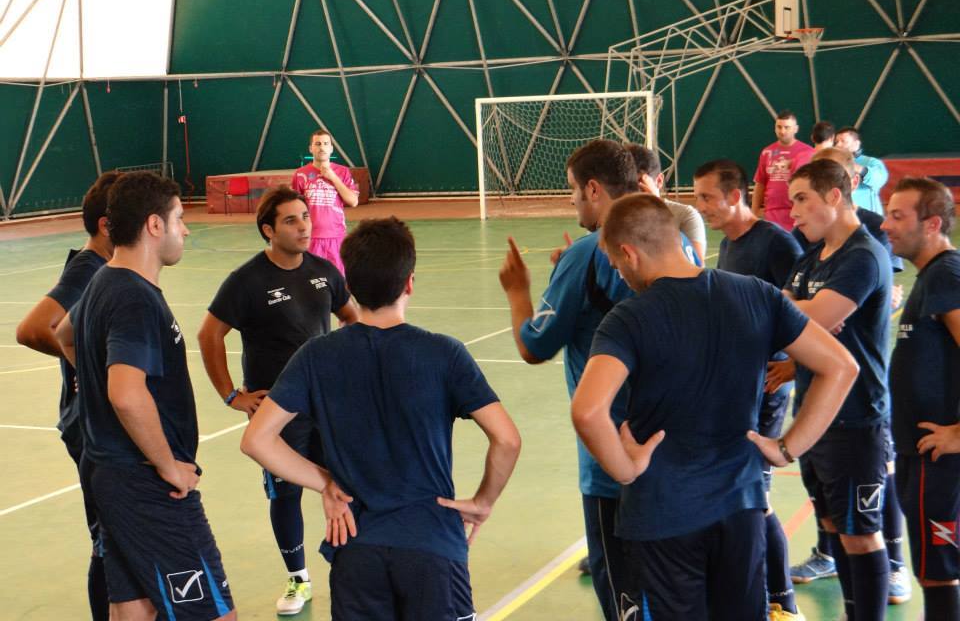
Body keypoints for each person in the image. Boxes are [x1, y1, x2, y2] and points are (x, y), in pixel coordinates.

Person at [571, 193, 858, 620]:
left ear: (628, 253)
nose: (618, 271)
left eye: (615, 262)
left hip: (662, 512)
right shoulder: (756, 295)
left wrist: (625, 468)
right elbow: (841, 367)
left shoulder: (628, 318)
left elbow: (588, 410)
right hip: (740, 506)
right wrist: (788, 447)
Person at [241, 217, 521, 621]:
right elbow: (507, 440)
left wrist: (326, 483)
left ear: (349, 286)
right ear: (409, 282)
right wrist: (482, 501)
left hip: (356, 548)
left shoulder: (316, 356)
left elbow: (257, 440)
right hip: (432, 546)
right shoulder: (444, 353)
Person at [55, 171, 235, 621]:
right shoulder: (134, 297)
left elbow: (64, 333)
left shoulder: (102, 280)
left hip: (110, 476)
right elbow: (127, 396)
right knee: (214, 614)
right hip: (145, 485)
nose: (186, 228)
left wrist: (89, 377)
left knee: (133, 609)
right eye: (179, 218)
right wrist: (167, 465)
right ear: (155, 226)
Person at [197, 185, 358, 615]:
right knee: (285, 495)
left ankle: (352, 564)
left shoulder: (324, 271)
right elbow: (209, 334)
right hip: (280, 413)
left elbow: (352, 318)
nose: (304, 225)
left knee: (345, 482)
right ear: (268, 230)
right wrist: (233, 395)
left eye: (305, 216)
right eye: (291, 220)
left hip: (327, 406)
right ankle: (299, 580)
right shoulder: (246, 281)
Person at [499, 139, 638, 620]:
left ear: (595, 189)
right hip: (671, 443)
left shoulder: (588, 253)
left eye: (574, 191)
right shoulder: (671, 240)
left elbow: (533, 346)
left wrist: (519, 290)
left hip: (609, 453)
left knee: (623, 588)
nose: (573, 201)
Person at [783, 147, 910, 604]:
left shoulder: (862, 256)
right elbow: (791, 317)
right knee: (835, 527)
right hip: (814, 416)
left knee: (861, 536)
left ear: (834, 195)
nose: (793, 212)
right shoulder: (813, 257)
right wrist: (804, 316)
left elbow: (809, 317)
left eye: (801, 200)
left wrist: (805, 315)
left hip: (857, 419)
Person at [692, 159, 805, 621]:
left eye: (705, 197)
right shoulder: (727, 242)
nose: (699, 206)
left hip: (765, 390)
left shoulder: (777, 244)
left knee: (755, 496)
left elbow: (800, 315)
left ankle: (782, 601)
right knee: (740, 494)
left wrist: (790, 364)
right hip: (735, 387)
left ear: (734, 196)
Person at [15, 170, 122, 621]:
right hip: (89, 423)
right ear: (106, 225)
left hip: (97, 419)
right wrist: (91, 372)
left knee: (119, 538)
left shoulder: (108, 269)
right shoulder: (88, 267)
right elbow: (34, 329)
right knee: (108, 540)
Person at [881, 177, 960, 620]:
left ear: (931, 224)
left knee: (940, 572)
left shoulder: (947, 274)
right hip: (919, 452)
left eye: (898, 216)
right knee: (933, 571)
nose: (887, 226)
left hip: (942, 458)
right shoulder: (931, 277)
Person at [625, 142, 707, 262]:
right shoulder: (615, 218)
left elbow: (695, 269)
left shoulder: (685, 215)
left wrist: (656, 212)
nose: (632, 195)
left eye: (640, 187)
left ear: (659, 181)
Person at [291, 129, 359, 275]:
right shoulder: (300, 174)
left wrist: (332, 177)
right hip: (311, 238)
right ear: (311, 148)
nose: (322, 147)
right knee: (311, 282)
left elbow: (353, 201)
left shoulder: (343, 172)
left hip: (336, 237)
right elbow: (295, 209)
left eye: (325, 144)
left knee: (339, 282)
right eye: (318, 144)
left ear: (331, 148)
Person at [752, 110, 815, 230]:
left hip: (798, 213)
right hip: (772, 214)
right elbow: (760, 183)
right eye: (779, 127)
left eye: (787, 127)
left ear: (796, 129)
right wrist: (754, 212)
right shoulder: (767, 152)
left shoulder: (808, 153)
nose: (782, 131)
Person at [834, 126, 888, 215]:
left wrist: (856, 168)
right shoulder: (834, 163)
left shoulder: (871, 162)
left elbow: (879, 179)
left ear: (856, 144)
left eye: (843, 141)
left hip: (869, 217)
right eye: (836, 142)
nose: (838, 145)